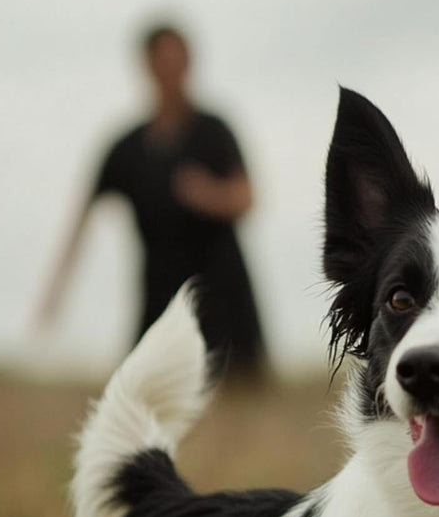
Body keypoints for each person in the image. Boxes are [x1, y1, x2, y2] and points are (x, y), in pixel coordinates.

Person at [35, 23, 267, 383]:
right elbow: (81, 221)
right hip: (160, 302)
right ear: (147, 66)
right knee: (148, 394)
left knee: (239, 396)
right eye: (163, 61)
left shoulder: (214, 131)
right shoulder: (126, 148)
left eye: (179, 61)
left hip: (223, 296)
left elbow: (247, 198)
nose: (171, 71)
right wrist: (54, 295)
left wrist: (208, 194)